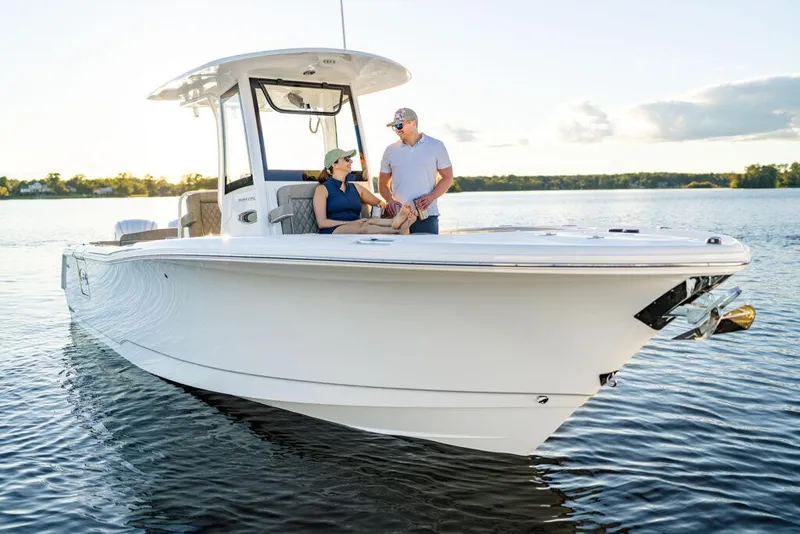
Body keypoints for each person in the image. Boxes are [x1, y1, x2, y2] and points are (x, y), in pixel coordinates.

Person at [378, 108, 454, 234]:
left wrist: (432, 197)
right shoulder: (390, 150)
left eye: (399, 125)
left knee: (428, 253)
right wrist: (390, 200)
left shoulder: (436, 146)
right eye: (394, 126)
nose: (397, 129)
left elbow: (448, 177)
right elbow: (382, 183)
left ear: (413, 123)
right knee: (398, 254)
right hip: (399, 217)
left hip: (427, 216)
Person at [313, 148, 417, 235]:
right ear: (334, 165)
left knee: (370, 221)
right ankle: (398, 230)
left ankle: (396, 222)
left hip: (358, 224)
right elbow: (322, 223)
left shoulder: (356, 188)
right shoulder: (322, 189)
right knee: (363, 226)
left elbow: (379, 203)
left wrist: (380, 212)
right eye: (346, 159)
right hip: (333, 230)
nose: (351, 161)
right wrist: (351, 223)